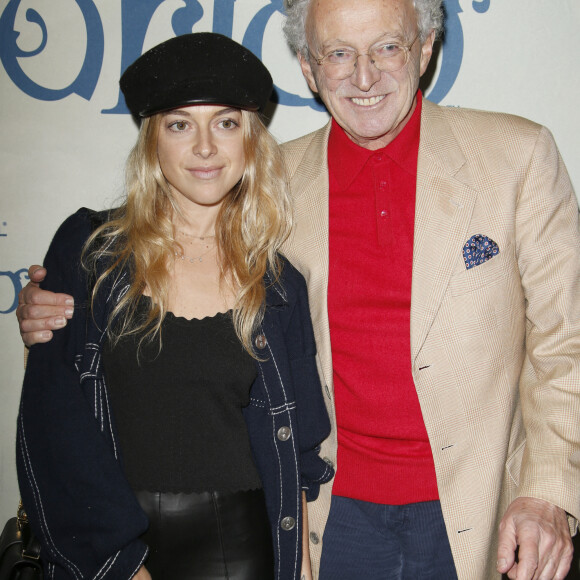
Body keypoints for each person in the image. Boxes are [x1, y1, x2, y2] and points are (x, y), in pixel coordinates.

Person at [16, 0, 580, 579]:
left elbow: (566, 343)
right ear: (309, 69)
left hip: (478, 512)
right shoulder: (265, 185)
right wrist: (56, 302)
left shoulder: (517, 157)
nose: (365, 77)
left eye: (387, 46)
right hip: (327, 519)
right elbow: (159, 246)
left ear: (426, 49)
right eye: (338, 53)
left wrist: (547, 493)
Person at [15, 32, 334, 580]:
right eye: (180, 124)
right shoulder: (91, 254)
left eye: (226, 122)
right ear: (152, 142)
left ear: (251, 141)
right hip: (111, 545)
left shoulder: (279, 285)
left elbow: (296, 455)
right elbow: (54, 427)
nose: (205, 147)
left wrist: (301, 568)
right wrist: (120, 565)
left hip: (242, 551)